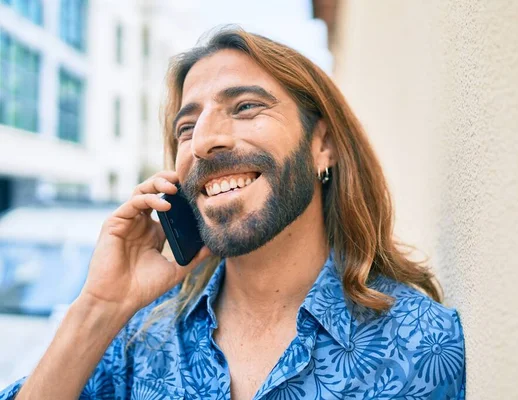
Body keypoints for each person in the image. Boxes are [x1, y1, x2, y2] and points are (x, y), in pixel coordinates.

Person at [1, 28, 466, 400]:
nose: (204, 141)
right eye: (187, 127)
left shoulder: (422, 344)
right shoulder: (139, 338)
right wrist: (99, 308)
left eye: (245, 107)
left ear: (322, 144)